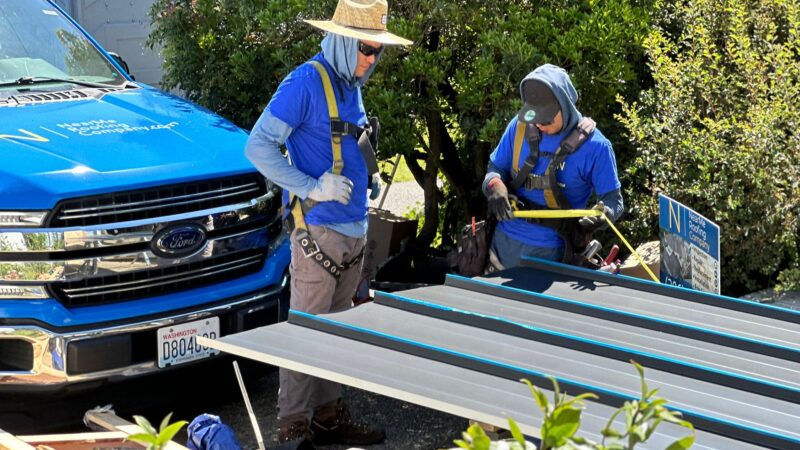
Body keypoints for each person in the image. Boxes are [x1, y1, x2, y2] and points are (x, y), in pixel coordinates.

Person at [244, 0, 412, 446]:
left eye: (378, 51)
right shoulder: (305, 82)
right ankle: (293, 427)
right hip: (318, 231)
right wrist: (312, 186)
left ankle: (328, 416)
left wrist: (369, 175)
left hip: (352, 231)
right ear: (341, 41)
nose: (372, 60)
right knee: (306, 331)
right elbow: (258, 147)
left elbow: (348, 137)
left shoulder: (349, 82)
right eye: (366, 49)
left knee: (335, 332)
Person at [483, 64, 624, 269]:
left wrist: (603, 214)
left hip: (552, 258)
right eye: (535, 118)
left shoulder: (597, 147)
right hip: (500, 249)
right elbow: (495, 167)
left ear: (564, 106)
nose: (540, 125)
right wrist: (495, 185)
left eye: (546, 119)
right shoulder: (519, 127)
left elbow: (614, 200)